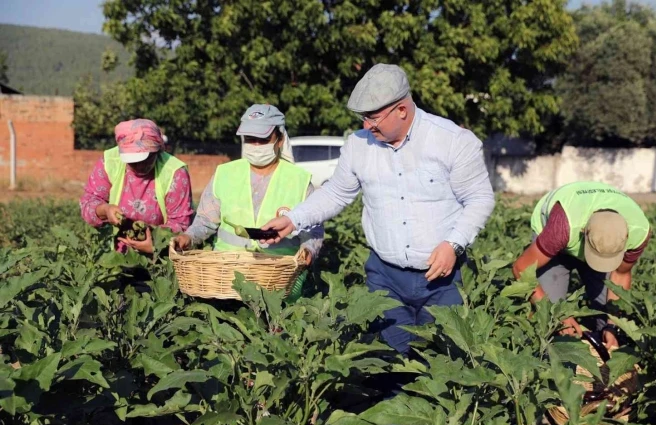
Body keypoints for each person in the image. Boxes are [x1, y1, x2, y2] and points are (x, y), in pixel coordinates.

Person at [260, 64, 496, 356]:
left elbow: (480, 198)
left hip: (441, 279)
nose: (367, 126)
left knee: (442, 364)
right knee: (390, 362)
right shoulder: (358, 146)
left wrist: (454, 243)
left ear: (401, 110)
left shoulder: (452, 141)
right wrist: (292, 219)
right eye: (363, 117)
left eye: (373, 117)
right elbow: (335, 192)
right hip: (385, 277)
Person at [172, 104, 323, 300]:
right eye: (251, 139)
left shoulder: (299, 181)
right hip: (225, 277)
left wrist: (308, 250)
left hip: (278, 278)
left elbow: (313, 230)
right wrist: (188, 237)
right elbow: (204, 221)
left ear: (280, 139)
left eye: (263, 139)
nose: (256, 145)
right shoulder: (224, 174)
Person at [512, 181, 652, 349]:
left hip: (581, 234)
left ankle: (599, 355)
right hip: (555, 239)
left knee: (604, 313)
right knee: (548, 320)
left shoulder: (639, 232)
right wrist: (554, 313)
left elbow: (621, 275)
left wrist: (612, 325)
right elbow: (521, 268)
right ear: (584, 232)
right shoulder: (563, 226)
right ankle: (545, 359)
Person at [80, 119, 194, 253]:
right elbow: (88, 203)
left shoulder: (175, 172)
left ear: (157, 151)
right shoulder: (110, 162)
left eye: (145, 159)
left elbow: (181, 224)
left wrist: (155, 244)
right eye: (133, 161)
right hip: (112, 256)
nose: (139, 166)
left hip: (161, 256)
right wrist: (105, 210)